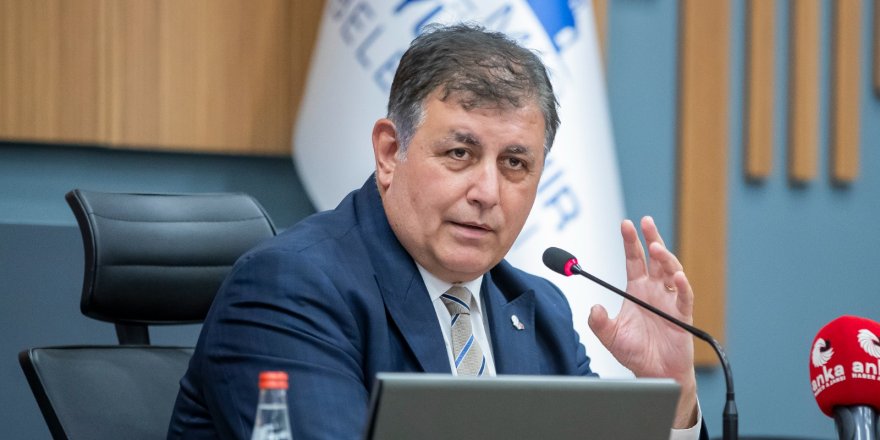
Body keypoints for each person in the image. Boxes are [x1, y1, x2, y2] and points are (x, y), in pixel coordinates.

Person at [168, 24, 707, 439]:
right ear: (390, 152)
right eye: (459, 153)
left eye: (515, 163)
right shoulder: (291, 288)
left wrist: (674, 394)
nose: (487, 192)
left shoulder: (539, 310)